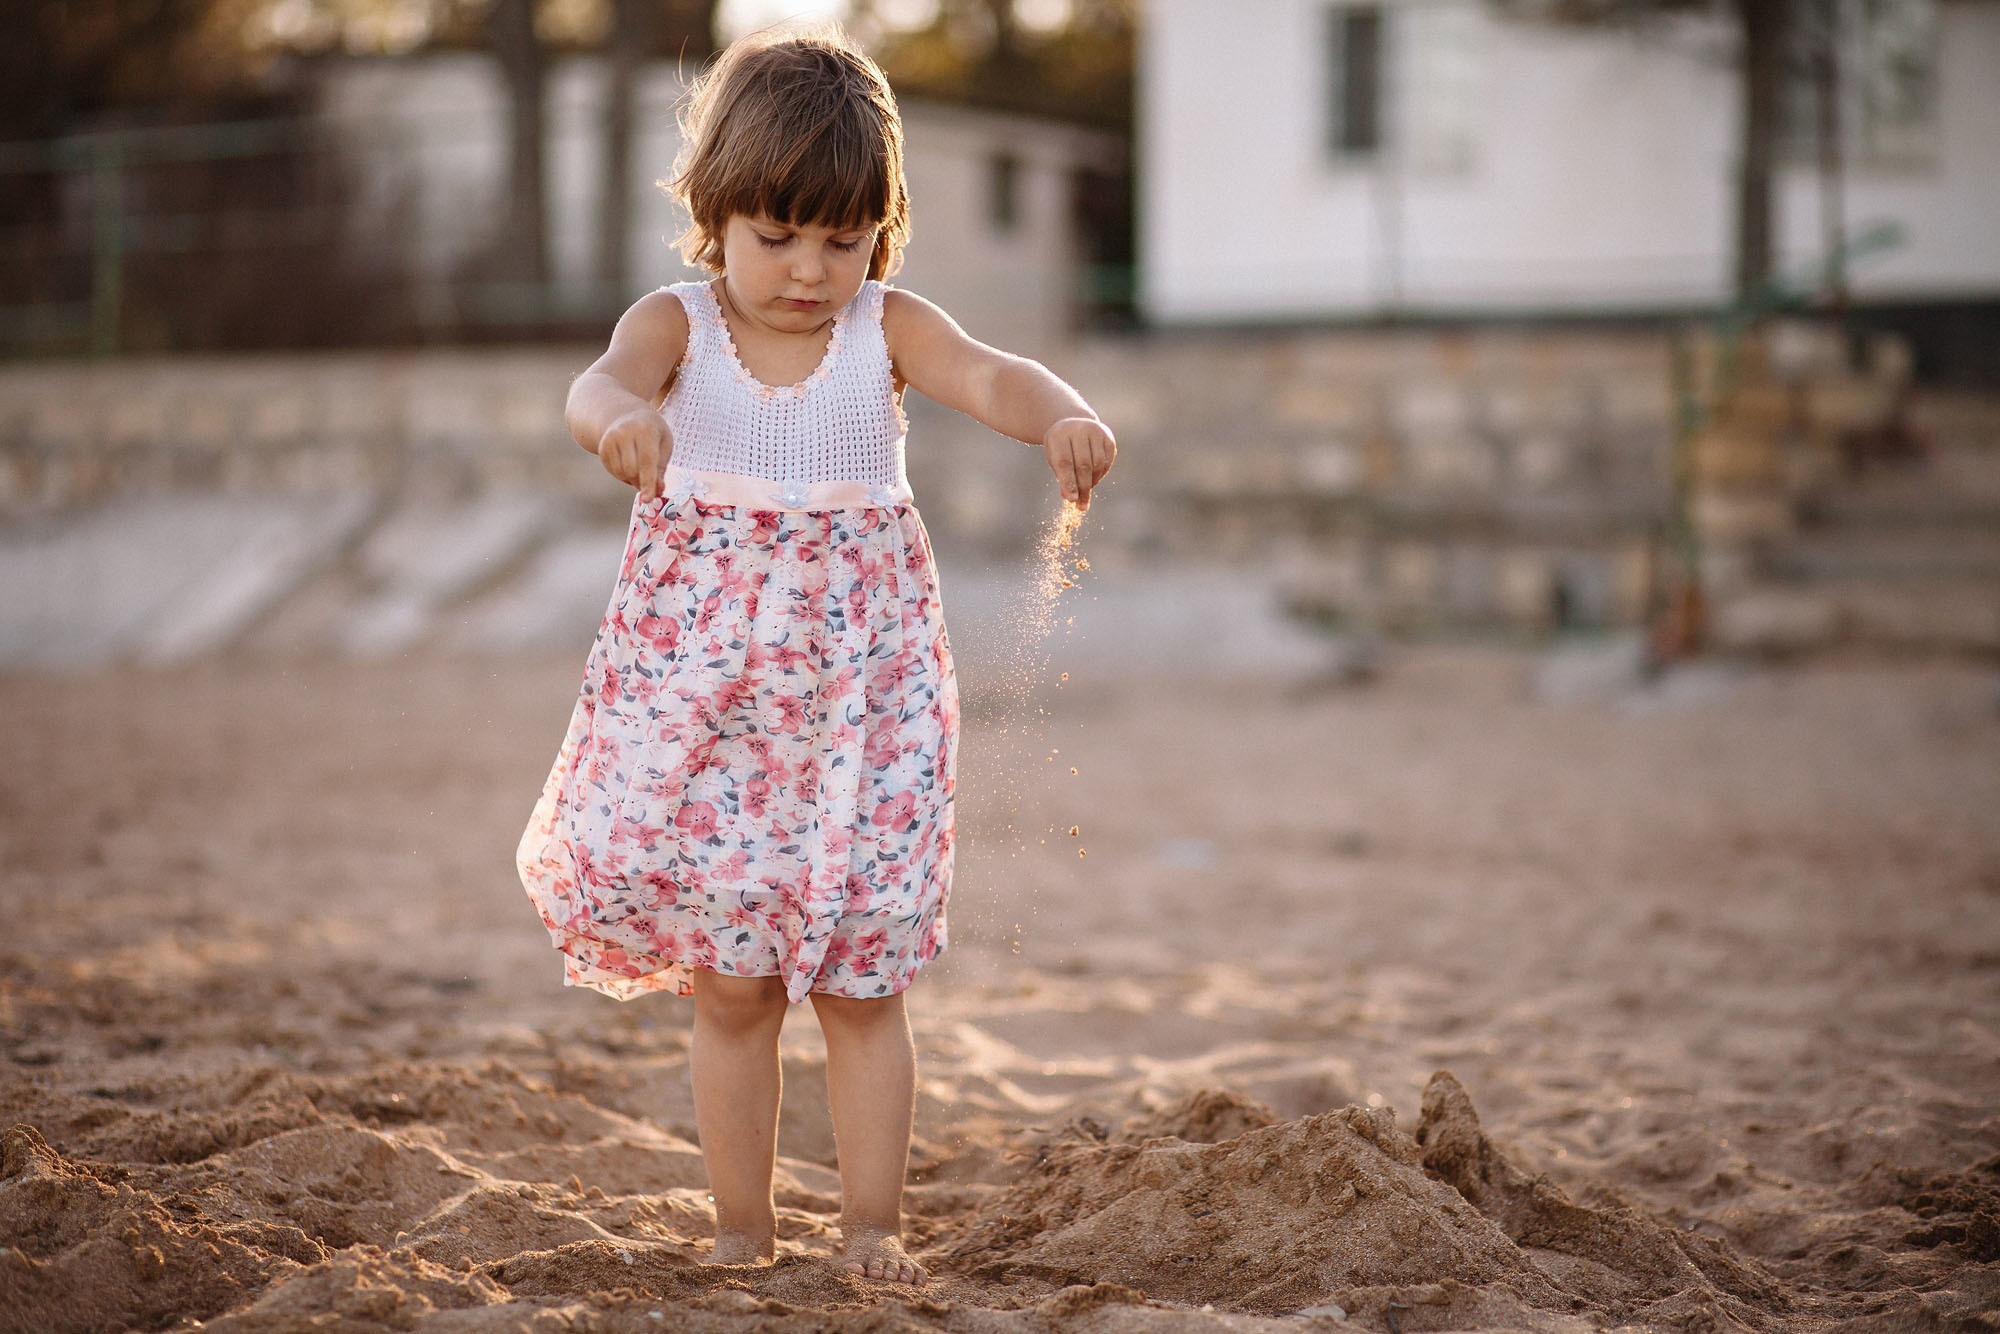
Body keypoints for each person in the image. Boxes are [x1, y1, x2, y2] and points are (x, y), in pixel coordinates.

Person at [515, 25, 1115, 1287]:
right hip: (716, 719)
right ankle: (741, 1223)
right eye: (777, 236)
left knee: (860, 981)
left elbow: (992, 374)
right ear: (717, 213)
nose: (808, 270)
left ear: (879, 234)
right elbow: (594, 386)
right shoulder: (674, 324)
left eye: (842, 241)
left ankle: (871, 1226)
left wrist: (1059, 411)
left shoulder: (885, 330)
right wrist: (621, 421)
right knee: (732, 987)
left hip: (864, 712)